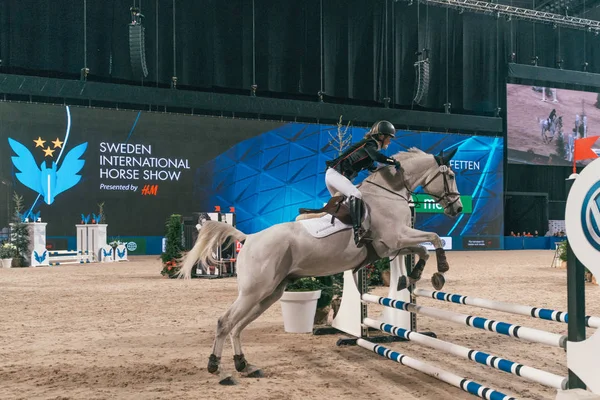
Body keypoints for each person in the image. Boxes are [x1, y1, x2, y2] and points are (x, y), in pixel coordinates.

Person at [324, 120, 401, 246]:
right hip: (335, 174)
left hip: (334, 176)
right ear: (381, 136)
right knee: (356, 194)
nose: (390, 141)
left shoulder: (369, 152)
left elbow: (374, 168)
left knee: (345, 207)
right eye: (389, 138)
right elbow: (377, 157)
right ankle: (358, 233)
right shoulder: (370, 144)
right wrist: (393, 161)